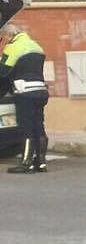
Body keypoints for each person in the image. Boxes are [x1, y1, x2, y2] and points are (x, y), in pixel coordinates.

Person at [0, 21, 49, 173]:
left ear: (9, 35)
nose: (3, 41)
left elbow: (3, 72)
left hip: (25, 93)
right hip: (41, 92)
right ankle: (41, 163)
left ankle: (25, 163)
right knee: (38, 126)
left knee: (26, 128)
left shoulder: (13, 48)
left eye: (3, 38)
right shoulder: (36, 46)